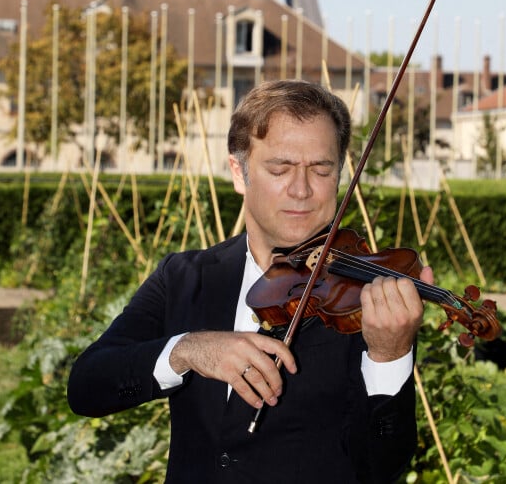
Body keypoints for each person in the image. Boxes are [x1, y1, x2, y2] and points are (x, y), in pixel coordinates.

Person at [67, 79, 433, 484]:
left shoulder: (364, 300)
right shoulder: (185, 277)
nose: (301, 190)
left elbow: (383, 465)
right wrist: (186, 350)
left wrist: (390, 356)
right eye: (279, 168)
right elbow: (87, 387)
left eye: (321, 169)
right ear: (239, 173)